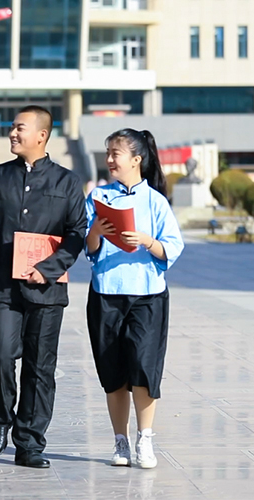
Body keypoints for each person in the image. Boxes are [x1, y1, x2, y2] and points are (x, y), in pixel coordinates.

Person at [0, 106, 87, 469]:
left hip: (47, 291)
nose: (12, 133)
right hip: (0, 286)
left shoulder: (67, 182)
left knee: (40, 367)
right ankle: (1, 417)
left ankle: (29, 443)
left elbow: (76, 233)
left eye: (20, 128)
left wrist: (48, 270)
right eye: (12, 127)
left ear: (42, 135)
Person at [84, 128, 183, 469]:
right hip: (106, 293)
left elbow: (172, 247)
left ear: (136, 159)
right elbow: (88, 248)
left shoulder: (156, 201)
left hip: (147, 296)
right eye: (108, 153)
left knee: (144, 368)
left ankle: (145, 437)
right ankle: (120, 440)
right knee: (113, 372)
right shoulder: (98, 196)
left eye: (116, 153)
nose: (110, 159)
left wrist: (147, 241)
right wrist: (96, 231)